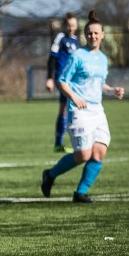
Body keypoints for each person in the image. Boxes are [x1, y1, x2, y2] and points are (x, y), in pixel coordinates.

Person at [41, 11, 124, 203]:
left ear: (102, 34)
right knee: (84, 154)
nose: (93, 36)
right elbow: (62, 81)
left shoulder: (103, 59)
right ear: (84, 35)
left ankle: (80, 192)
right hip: (79, 111)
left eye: (96, 33)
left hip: (97, 110)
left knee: (99, 152)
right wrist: (74, 98)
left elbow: (99, 84)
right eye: (89, 34)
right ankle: (50, 175)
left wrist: (112, 90)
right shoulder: (78, 55)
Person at [45, 13, 79, 153]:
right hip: (62, 79)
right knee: (66, 107)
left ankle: (63, 143)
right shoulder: (60, 38)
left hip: (74, 80)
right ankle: (59, 143)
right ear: (65, 25)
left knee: (69, 108)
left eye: (74, 25)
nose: (71, 28)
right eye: (69, 25)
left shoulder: (77, 41)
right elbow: (52, 59)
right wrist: (49, 78)